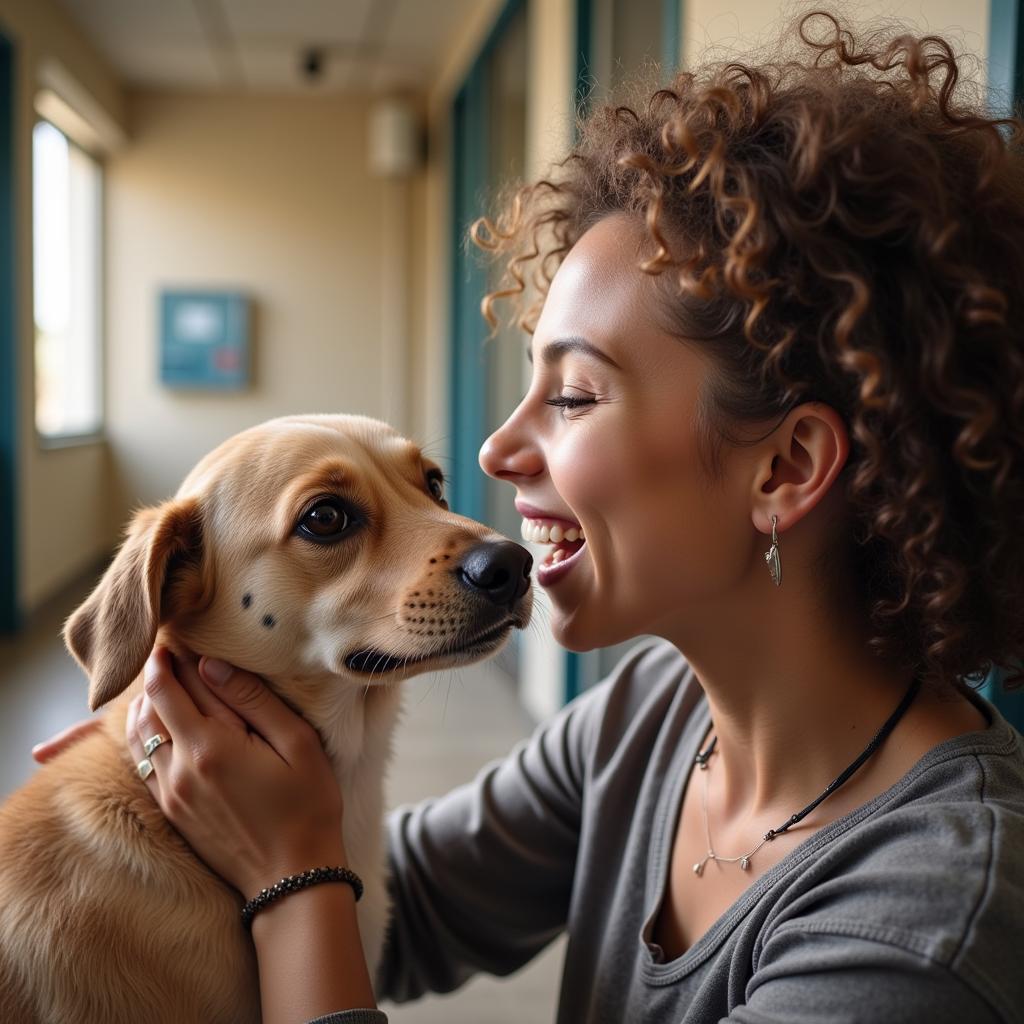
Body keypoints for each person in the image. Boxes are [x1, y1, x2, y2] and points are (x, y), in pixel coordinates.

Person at [34, 10, 1024, 1023]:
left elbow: (322, 905)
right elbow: (399, 910)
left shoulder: (917, 932)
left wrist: (292, 872)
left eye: (575, 395)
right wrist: (198, 803)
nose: (492, 453)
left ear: (786, 466)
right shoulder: (654, 713)